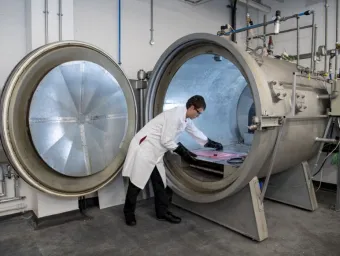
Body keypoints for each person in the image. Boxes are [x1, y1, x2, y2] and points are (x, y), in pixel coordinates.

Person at [122, 95, 223, 226]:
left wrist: (210, 143)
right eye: (198, 113)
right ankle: (128, 214)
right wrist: (183, 152)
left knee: (160, 184)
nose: (198, 116)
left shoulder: (185, 118)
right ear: (192, 107)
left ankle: (162, 213)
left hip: (156, 153)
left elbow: (195, 132)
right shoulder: (174, 116)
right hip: (145, 150)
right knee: (136, 184)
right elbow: (166, 140)